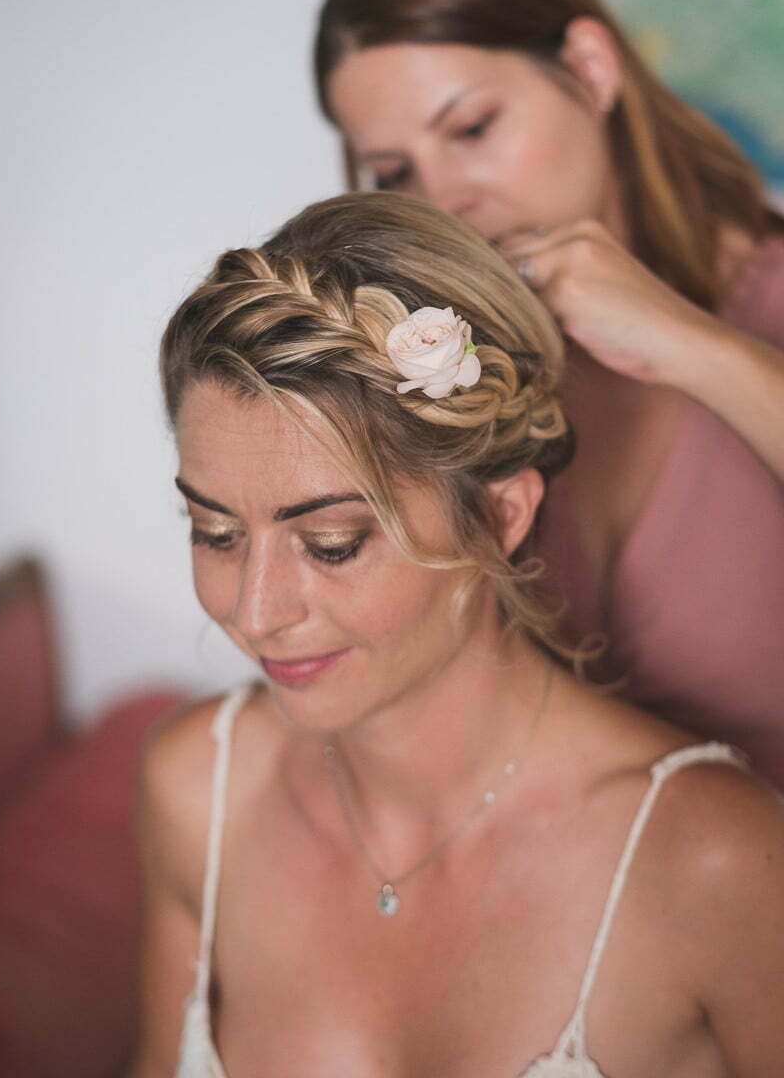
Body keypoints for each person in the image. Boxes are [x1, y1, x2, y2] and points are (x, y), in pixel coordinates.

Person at [131, 192, 784, 1077]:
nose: (255, 613)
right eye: (215, 533)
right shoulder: (197, 790)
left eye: (333, 544)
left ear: (504, 513)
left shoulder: (716, 864)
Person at [313, 0, 784, 786]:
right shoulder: (439, 377)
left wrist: (692, 344)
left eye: (473, 128)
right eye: (395, 172)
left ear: (590, 68)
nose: (446, 200)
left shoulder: (765, 297)